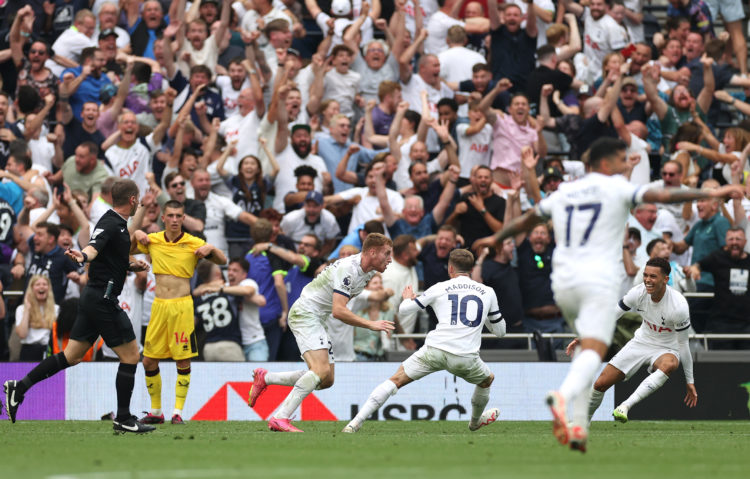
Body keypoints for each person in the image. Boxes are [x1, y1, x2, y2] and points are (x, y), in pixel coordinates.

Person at [487, 137, 741, 452]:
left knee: (589, 351)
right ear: (606, 164)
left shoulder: (565, 191)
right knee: (593, 351)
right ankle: (563, 396)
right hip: (596, 281)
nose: (626, 164)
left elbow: (530, 217)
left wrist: (495, 237)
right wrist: (711, 191)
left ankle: (578, 426)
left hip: (562, 284)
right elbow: (663, 193)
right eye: (622, 159)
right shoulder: (615, 188)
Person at [5, 179, 154, 433]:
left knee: (71, 356)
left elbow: (110, 254)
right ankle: (124, 418)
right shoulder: (109, 224)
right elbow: (93, 249)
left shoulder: (115, 223)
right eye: (137, 199)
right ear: (132, 199)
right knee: (130, 355)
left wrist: (130, 265)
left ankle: (19, 387)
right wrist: (83, 255)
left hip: (94, 297)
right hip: (103, 299)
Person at [342, 249, 507, 432]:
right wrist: (487, 319)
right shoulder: (488, 292)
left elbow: (405, 310)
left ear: (450, 268)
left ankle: (354, 423)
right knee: (486, 380)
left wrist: (407, 299)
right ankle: (474, 422)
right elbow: (500, 332)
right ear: (471, 268)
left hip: (435, 349)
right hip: (465, 356)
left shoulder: (440, 287)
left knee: (395, 380)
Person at [247, 233, 396, 432]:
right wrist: (371, 324)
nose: (390, 259)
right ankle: (280, 417)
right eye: (386, 254)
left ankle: (266, 378)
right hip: (306, 313)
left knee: (326, 379)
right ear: (372, 251)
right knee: (320, 371)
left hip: (318, 318)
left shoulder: (368, 273)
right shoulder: (348, 269)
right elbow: (338, 310)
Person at [568, 258, 696, 423]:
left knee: (670, 364)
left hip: (667, 348)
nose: (648, 281)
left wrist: (690, 381)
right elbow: (612, 315)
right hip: (641, 342)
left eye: (653, 277)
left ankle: (625, 406)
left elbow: (683, 344)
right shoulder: (638, 292)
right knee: (600, 384)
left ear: (666, 279)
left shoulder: (678, 306)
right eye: (645, 275)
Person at [134, 200, 227, 425]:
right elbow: (125, 248)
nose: (175, 220)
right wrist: (136, 232)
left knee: (183, 361)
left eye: (178, 216)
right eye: (171, 216)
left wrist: (211, 249)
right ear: (163, 218)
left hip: (182, 306)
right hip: (158, 306)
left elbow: (222, 260)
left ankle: (177, 412)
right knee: (148, 361)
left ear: (183, 219)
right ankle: (156, 411)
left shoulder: (193, 242)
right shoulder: (153, 240)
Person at [686, 227, 750, 349]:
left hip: (747, 323)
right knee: (720, 364)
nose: (734, 242)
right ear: (726, 241)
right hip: (721, 322)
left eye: (738, 239)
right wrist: (694, 270)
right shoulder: (717, 257)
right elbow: (698, 266)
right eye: (731, 239)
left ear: (745, 242)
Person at [15, 275, 56, 361]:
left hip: (49, 350)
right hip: (29, 351)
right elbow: (22, 334)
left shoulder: (57, 309)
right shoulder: (21, 309)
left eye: (44, 284)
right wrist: (27, 310)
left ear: (49, 288)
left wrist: (36, 324)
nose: (41, 286)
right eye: (37, 284)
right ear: (31, 289)